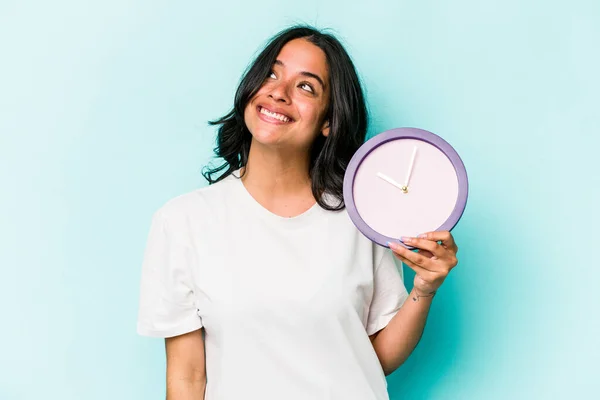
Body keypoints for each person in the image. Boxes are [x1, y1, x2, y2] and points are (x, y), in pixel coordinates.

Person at [136, 25, 459, 400]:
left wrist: (424, 289)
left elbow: (373, 359)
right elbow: (187, 378)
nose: (279, 91)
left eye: (306, 86)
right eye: (271, 74)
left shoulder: (361, 218)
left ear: (328, 121)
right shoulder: (182, 222)